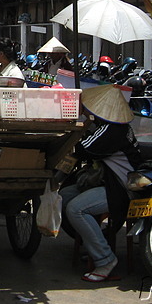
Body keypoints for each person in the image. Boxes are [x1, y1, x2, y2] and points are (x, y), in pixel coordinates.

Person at [60, 84, 141, 282]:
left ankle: (105, 259)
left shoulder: (112, 131)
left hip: (122, 189)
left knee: (75, 209)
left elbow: (82, 149)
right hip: (109, 182)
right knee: (63, 196)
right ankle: (95, 244)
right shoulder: (113, 127)